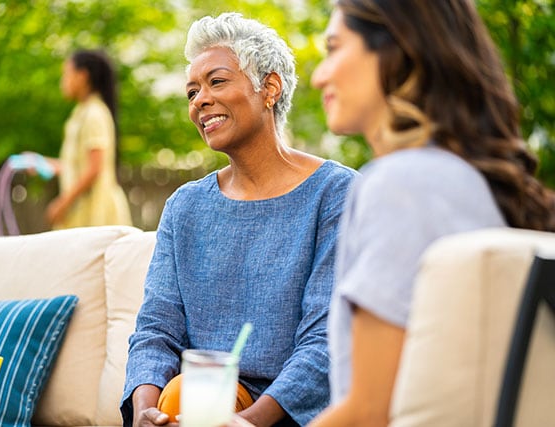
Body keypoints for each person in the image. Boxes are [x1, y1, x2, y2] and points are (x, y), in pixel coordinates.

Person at [307, 1, 555, 426]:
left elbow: (369, 413)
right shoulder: (478, 186)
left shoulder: (399, 185)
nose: (318, 75)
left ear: (395, 48)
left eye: (334, 48)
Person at [121, 12, 358, 427]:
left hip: (294, 415)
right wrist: (144, 412)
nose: (199, 101)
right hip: (198, 407)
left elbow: (326, 341)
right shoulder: (185, 207)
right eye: (192, 92)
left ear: (269, 88)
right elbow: (156, 331)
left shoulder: (337, 194)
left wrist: (249, 422)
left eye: (216, 82)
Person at [32, 49, 131, 229]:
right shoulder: (80, 114)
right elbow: (78, 166)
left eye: (67, 74)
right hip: (84, 214)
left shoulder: (94, 114)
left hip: (97, 214)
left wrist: (62, 203)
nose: (63, 81)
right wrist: (42, 163)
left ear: (82, 76)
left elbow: (94, 169)